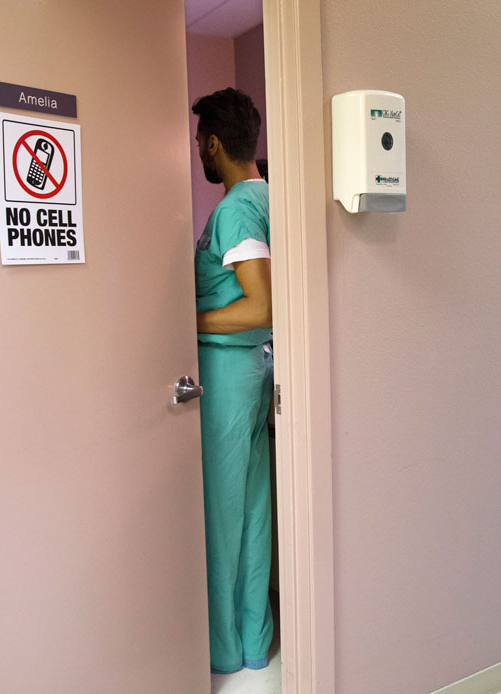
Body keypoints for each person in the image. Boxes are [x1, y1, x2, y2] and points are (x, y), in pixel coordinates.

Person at [191, 87, 274, 675]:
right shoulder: (271, 197)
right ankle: (253, 642)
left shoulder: (236, 209)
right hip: (257, 372)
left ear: (214, 143)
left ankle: (223, 652)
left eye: (200, 141)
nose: (199, 150)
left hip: (228, 375)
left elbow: (259, 305)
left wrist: (185, 323)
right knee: (253, 513)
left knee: (223, 521)